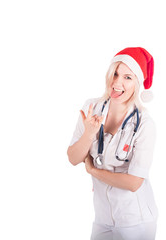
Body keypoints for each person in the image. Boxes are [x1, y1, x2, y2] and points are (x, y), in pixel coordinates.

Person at [67, 47, 158, 240]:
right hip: (102, 217)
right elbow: (73, 158)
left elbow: (134, 182)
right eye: (115, 73)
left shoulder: (144, 125)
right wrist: (89, 134)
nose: (117, 82)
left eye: (128, 77)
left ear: (137, 84)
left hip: (135, 220)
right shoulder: (92, 108)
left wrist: (94, 171)